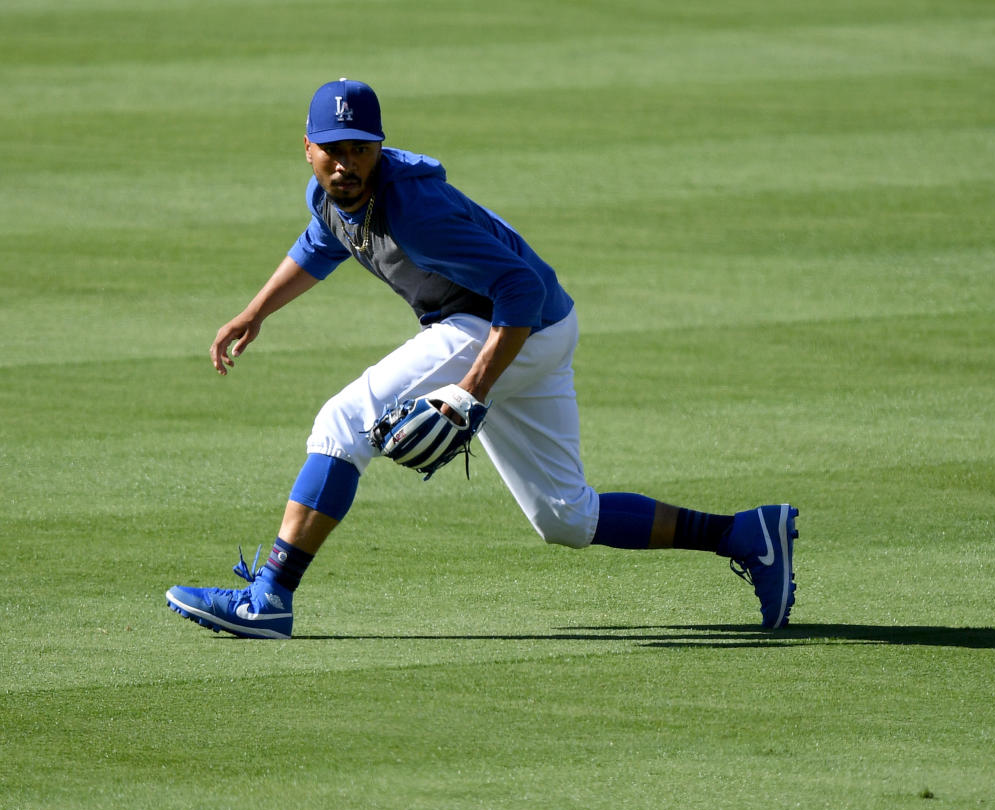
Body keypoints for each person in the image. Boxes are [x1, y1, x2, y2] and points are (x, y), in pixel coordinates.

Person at [165, 79, 797, 639]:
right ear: (307, 146)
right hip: (541, 326)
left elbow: (517, 287)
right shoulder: (328, 194)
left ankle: (269, 597)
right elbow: (321, 244)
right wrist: (255, 312)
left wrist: (469, 390)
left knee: (341, 423)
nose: (346, 163)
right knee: (565, 517)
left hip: (506, 323)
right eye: (333, 149)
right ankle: (743, 535)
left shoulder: (416, 212)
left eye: (360, 148)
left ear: (380, 146)